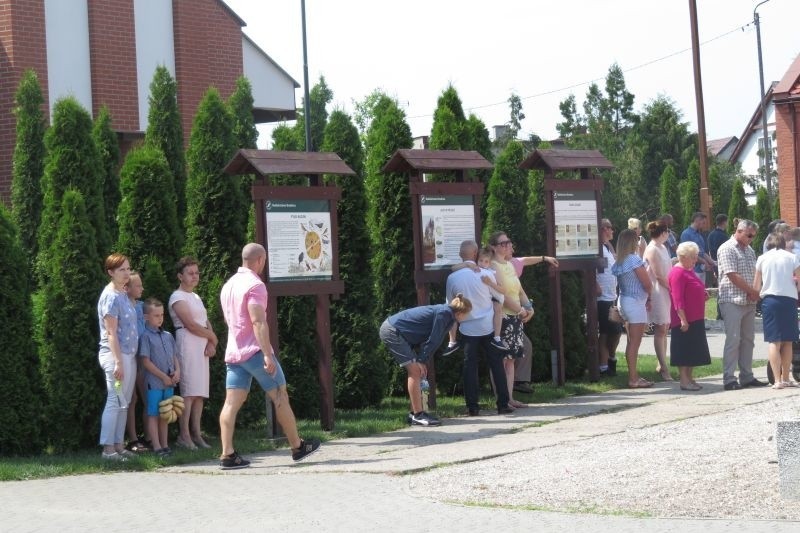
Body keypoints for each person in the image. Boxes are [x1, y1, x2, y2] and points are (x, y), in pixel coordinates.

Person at [219, 243, 321, 469]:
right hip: (255, 351)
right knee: (280, 396)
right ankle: (297, 446)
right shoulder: (255, 285)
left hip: (234, 353)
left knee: (231, 403)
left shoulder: (228, 285)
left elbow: (229, 321)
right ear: (260, 260)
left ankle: (227, 454)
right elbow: (257, 321)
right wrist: (267, 354)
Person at [380, 294, 473, 426]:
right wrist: (422, 360)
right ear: (460, 313)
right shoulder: (445, 313)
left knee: (417, 371)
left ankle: (414, 414)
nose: (468, 317)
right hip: (392, 330)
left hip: (398, 332)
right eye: (467, 314)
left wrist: (421, 359)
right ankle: (418, 415)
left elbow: (430, 340)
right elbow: (434, 339)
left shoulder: (449, 316)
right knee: (415, 371)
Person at [445, 240, 512, 415]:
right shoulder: (486, 274)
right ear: (475, 253)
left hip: (467, 328)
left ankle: (472, 406)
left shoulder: (452, 278)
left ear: (461, 255)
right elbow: (499, 298)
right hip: (488, 326)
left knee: (469, 367)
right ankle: (503, 404)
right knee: (496, 364)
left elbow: (451, 305)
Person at [169, 257, 217, 450]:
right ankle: (184, 435)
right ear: (180, 276)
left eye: (197, 273)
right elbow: (189, 324)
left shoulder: (196, 297)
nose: (195, 276)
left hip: (202, 346)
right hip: (187, 343)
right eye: (190, 273)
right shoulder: (177, 297)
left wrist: (211, 342)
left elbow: (204, 322)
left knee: (199, 393)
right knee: (188, 393)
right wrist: (213, 337)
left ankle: (197, 434)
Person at [97, 253, 139, 461]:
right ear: (111, 272)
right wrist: (118, 362)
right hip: (116, 357)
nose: (126, 273)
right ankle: (107, 449)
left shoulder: (122, 293)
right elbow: (111, 332)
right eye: (121, 270)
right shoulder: (110, 296)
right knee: (115, 399)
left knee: (125, 401)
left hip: (127, 356)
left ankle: (119, 445)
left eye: (128, 269)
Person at [717, 219, 768, 390]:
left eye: (754, 236)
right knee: (733, 340)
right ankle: (729, 379)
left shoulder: (750, 250)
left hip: (748, 300)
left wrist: (755, 290)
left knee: (748, 340)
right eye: (749, 235)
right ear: (739, 231)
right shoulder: (727, 248)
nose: (752, 238)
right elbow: (732, 275)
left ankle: (746, 376)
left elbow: (755, 273)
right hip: (732, 299)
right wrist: (753, 291)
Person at [488, 231, 535, 409]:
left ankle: (510, 398)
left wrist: (529, 308)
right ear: (493, 247)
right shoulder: (493, 266)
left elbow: (519, 290)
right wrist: (521, 310)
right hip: (502, 317)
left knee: (511, 360)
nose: (507, 245)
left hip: (515, 317)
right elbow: (501, 294)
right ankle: (501, 398)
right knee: (501, 359)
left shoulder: (508, 264)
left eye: (508, 242)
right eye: (503, 243)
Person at [754, 233, 800, 389]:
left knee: (774, 341)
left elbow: (756, 284)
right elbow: (799, 278)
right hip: (788, 300)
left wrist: (756, 298)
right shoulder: (791, 257)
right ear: (782, 243)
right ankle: (786, 378)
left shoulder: (762, 258)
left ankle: (777, 380)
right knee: (788, 341)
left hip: (770, 300)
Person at [444, 247, 508, 355]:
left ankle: (497, 337)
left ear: (490, 262)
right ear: (476, 258)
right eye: (481, 260)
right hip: (486, 321)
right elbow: (453, 268)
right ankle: (452, 342)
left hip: (490, 303)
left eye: (486, 261)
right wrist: (467, 264)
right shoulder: (478, 269)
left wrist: (490, 283)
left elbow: (503, 290)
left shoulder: (491, 272)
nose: (483, 263)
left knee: (498, 308)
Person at [138, 298, 180, 457]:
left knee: (165, 413)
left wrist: (178, 371)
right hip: (155, 383)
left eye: (162, 315)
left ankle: (165, 444)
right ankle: (156, 446)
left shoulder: (168, 335)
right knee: (154, 413)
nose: (160, 318)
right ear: (146, 317)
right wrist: (163, 376)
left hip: (169, 383)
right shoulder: (145, 337)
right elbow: (145, 361)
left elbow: (175, 356)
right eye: (156, 315)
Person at [611, 229, 653, 388]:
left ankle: (634, 376)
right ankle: (633, 378)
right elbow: (647, 283)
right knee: (635, 343)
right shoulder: (634, 260)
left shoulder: (620, 260)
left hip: (625, 300)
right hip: (635, 302)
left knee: (631, 341)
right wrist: (651, 297)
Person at [668, 242, 711, 391]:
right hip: (685, 318)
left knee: (693, 350)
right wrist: (683, 319)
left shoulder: (689, 270)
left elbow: (694, 287)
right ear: (682, 257)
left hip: (696, 317)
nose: (695, 260)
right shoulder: (677, 272)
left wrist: (703, 294)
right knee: (684, 349)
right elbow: (677, 298)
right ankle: (684, 380)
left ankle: (690, 378)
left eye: (695, 257)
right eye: (692, 257)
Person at [124, 271, 151, 452]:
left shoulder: (142, 307)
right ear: (127, 288)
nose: (141, 288)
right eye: (138, 285)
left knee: (148, 398)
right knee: (131, 398)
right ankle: (132, 439)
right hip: (129, 357)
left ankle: (150, 436)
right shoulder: (124, 307)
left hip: (143, 357)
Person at [643, 221, 673, 381]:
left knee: (665, 328)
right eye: (668, 231)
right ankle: (663, 368)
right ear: (663, 233)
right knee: (660, 328)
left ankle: (662, 363)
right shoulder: (652, 249)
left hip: (666, 290)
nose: (669, 234)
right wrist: (672, 289)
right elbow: (659, 275)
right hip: (658, 291)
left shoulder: (662, 247)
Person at [597, 219, 622, 377]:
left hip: (612, 295)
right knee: (606, 332)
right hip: (602, 298)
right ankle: (604, 366)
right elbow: (590, 267)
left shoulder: (607, 246)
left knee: (616, 331)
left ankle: (611, 358)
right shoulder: (596, 248)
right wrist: (593, 284)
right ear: (604, 229)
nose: (613, 231)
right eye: (611, 228)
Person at [680, 212, 715, 285]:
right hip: (692, 270)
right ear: (697, 220)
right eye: (703, 222)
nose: (704, 225)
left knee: (701, 291)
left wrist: (712, 262)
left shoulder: (699, 234)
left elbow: (702, 252)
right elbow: (688, 253)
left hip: (701, 269)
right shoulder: (686, 234)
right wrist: (704, 262)